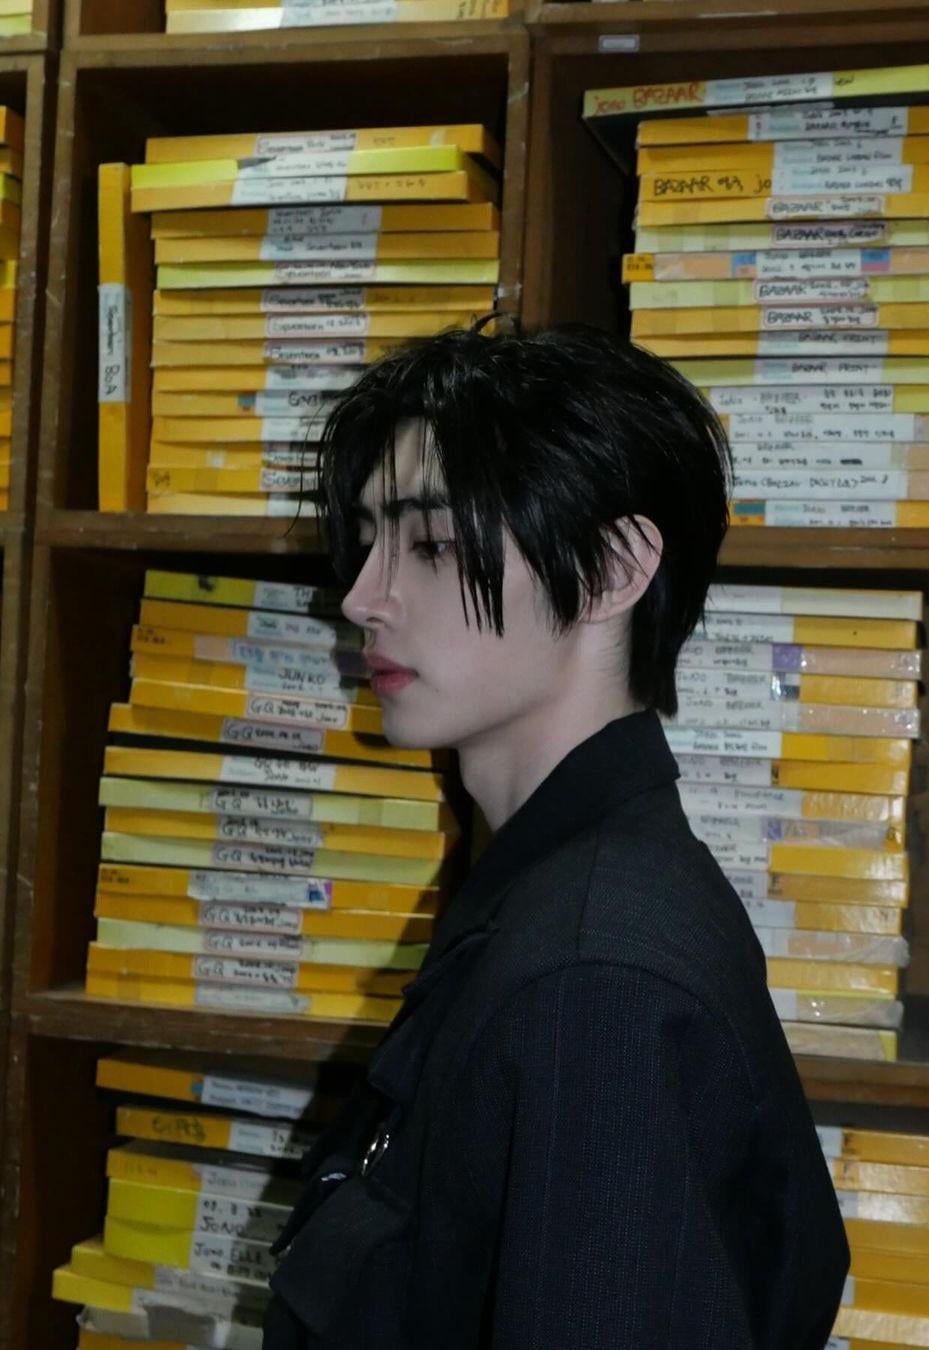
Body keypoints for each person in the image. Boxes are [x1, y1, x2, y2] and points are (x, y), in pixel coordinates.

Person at [262, 321, 850, 1349]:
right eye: (367, 539)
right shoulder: (548, 887)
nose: (360, 599)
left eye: (432, 545)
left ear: (614, 568)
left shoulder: (594, 981)